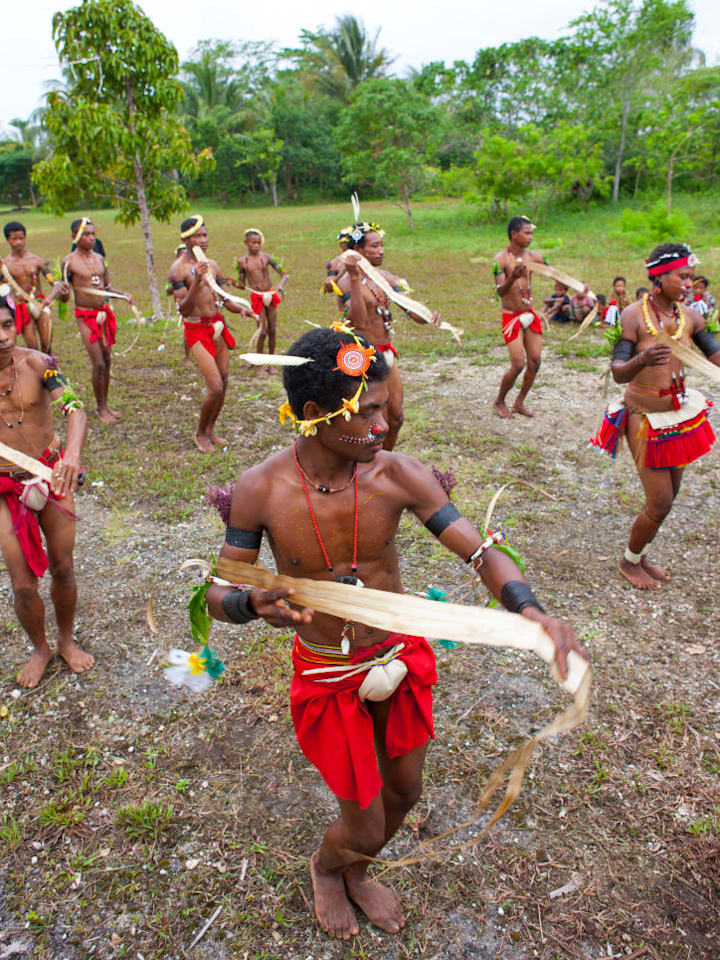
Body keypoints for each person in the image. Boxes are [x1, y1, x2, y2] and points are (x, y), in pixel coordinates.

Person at [205, 326, 588, 940]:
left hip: (399, 657)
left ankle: (359, 869)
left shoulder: (398, 475)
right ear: (314, 414)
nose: (385, 424)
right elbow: (216, 595)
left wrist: (530, 609)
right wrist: (251, 603)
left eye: (386, 406)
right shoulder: (261, 490)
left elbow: (481, 552)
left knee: (404, 793)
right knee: (361, 822)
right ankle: (332, 869)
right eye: (371, 410)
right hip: (328, 673)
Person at [588, 243, 719, 589]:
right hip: (643, 417)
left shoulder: (690, 316)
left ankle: (640, 555)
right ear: (659, 277)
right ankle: (628, 563)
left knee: (668, 499)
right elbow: (618, 371)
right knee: (659, 501)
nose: (689, 283)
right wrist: (642, 360)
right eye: (682, 276)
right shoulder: (633, 315)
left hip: (679, 418)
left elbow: (714, 356)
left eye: (691, 277)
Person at [0, 293, 91, 688]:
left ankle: (66, 639)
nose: (2, 336)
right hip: (4, 487)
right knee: (21, 582)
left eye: (6, 325)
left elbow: (75, 409)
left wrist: (71, 455)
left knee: (64, 566)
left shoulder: (40, 363)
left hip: (53, 475)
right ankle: (40, 648)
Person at [337, 220, 442, 450]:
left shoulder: (386, 278)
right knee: (374, 421)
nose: (381, 250)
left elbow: (411, 310)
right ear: (358, 251)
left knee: (396, 418)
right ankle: (366, 468)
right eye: (374, 246)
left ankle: (384, 461)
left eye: (382, 245)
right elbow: (356, 320)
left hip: (386, 354)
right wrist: (355, 278)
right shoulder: (344, 282)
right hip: (362, 359)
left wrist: (428, 315)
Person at [168, 215, 254, 453]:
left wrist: (242, 310)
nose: (203, 240)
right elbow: (183, 308)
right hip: (195, 329)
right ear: (185, 238)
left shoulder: (213, 265)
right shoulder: (178, 270)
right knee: (215, 386)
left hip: (217, 325)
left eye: (205, 235)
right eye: (197, 236)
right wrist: (196, 280)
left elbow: (223, 296)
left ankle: (210, 429)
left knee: (224, 380)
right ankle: (199, 434)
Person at [59, 218, 132, 424]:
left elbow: (107, 287)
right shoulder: (69, 261)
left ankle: (106, 405)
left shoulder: (99, 257)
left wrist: (123, 295)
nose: (91, 238)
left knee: (107, 360)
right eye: (86, 234)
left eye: (93, 233)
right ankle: (100, 409)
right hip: (85, 316)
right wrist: (63, 293)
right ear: (75, 237)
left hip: (103, 313)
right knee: (98, 363)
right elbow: (65, 296)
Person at [492, 216, 546, 418]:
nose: (531, 237)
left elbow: (553, 272)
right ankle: (499, 401)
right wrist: (513, 276)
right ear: (514, 234)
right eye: (527, 233)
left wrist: (575, 286)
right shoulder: (500, 261)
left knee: (535, 361)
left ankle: (519, 402)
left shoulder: (534, 257)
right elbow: (500, 291)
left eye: (532, 233)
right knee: (518, 364)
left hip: (529, 315)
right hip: (511, 317)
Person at [2, 221, 66, 352]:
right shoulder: (5, 265)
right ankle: (37, 372)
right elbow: (3, 290)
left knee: (47, 345)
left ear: (25, 238)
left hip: (40, 303)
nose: (19, 242)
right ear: (8, 240)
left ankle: (51, 372)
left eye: (21, 238)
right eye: (14, 239)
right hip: (22, 307)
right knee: (33, 348)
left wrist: (48, 299)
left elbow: (55, 284)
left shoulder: (36, 260)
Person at [236, 229, 289, 358]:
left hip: (270, 295)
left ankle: (270, 361)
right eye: (253, 243)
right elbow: (242, 285)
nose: (256, 245)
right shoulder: (242, 262)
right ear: (246, 243)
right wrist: (233, 283)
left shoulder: (266, 258)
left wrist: (280, 285)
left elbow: (284, 273)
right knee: (262, 331)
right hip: (257, 296)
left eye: (259, 242)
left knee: (272, 330)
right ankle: (260, 363)